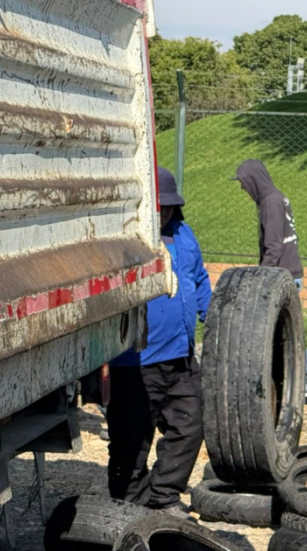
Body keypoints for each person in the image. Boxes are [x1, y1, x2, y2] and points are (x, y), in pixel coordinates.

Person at [106, 168, 211, 515]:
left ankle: (164, 495)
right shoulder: (125, 238)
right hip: (135, 361)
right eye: (158, 206)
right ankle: (130, 502)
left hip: (181, 357)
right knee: (132, 438)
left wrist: (212, 315)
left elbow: (199, 276)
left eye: (168, 206)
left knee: (190, 425)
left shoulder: (183, 233)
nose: (163, 212)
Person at [232, 159, 307, 396]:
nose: (242, 188)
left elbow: (273, 247)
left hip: (281, 275)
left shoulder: (270, 203)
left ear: (253, 180)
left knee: (281, 330)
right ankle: (305, 374)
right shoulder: (276, 197)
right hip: (288, 272)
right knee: (283, 328)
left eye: (243, 183)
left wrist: (261, 277)